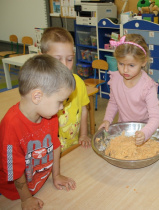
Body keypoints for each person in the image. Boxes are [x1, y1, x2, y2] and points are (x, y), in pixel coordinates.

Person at [0, 55, 76, 209]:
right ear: (37, 96)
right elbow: (13, 169)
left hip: (41, 183)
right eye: (59, 101)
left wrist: (56, 175)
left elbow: (55, 145)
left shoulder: (50, 115)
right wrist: (26, 199)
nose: (62, 108)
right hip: (15, 194)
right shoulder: (10, 126)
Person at [99, 34, 159, 145]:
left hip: (145, 132)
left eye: (131, 65)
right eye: (121, 64)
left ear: (143, 62)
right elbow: (113, 103)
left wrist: (144, 133)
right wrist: (107, 119)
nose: (125, 70)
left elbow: (156, 118)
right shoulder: (115, 79)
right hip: (123, 130)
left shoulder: (148, 86)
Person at [40, 27, 91, 151]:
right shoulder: (40, 89)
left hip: (72, 147)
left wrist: (83, 135)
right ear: (42, 58)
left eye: (69, 59)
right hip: (49, 153)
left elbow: (84, 110)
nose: (65, 65)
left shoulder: (78, 83)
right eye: (58, 59)